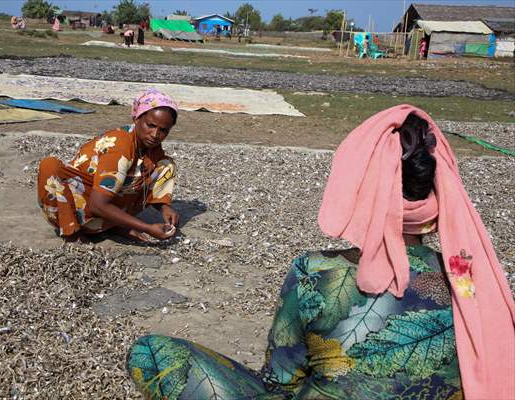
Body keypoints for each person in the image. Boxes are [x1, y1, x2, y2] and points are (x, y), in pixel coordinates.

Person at [126, 105, 515, 399]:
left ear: (358, 184)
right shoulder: (474, 285)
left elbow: (281, 381)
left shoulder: (315, 273)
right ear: (436, 188)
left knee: (150, 352)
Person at [37, 89, 179, 242]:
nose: (155, 134)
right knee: (49, 166)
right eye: (150, 125)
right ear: (137, 118)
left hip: (106, 206)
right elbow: (97, 205)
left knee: (166, 165)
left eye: (163, 130)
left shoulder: (151, 150)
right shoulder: (120, 145)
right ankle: (73, 232)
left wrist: (165, 208)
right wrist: (146, 228)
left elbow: (149, 183)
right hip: (82, 205)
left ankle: (113, 224)